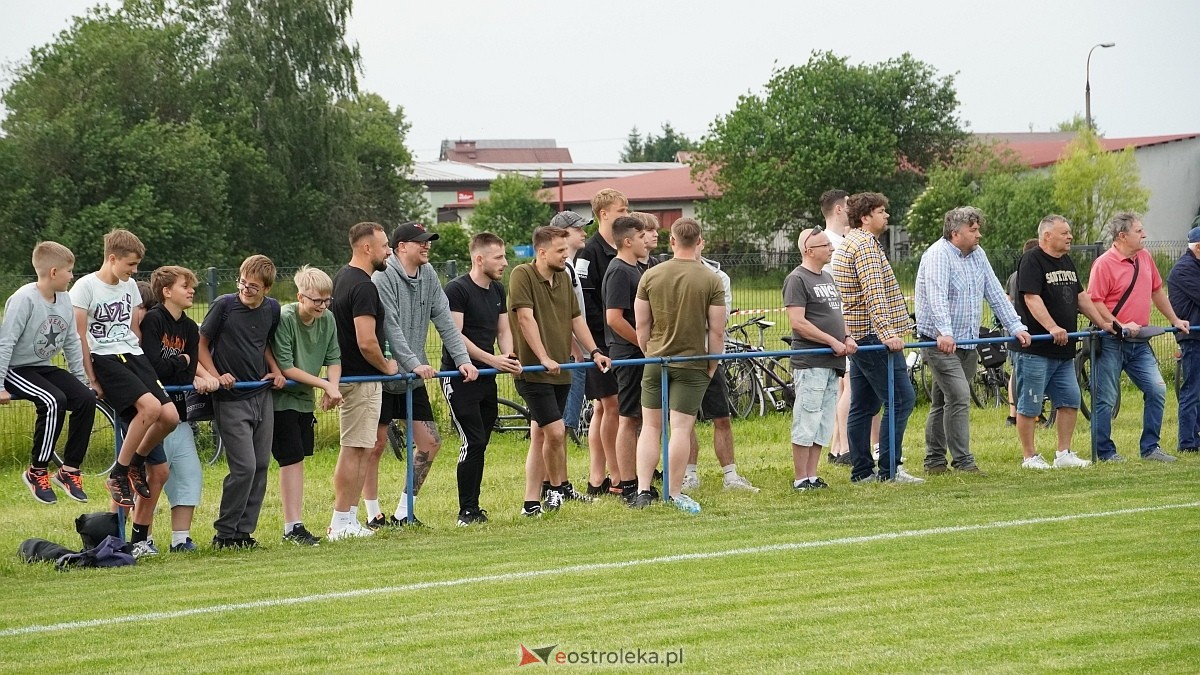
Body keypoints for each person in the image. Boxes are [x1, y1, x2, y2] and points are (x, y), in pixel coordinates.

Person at [368, 222, 476, 527]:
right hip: (384, 374)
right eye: (420, 242)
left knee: (430, 442)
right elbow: (390, 327)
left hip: (413, 378)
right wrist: (413, 362)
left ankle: (404, 511)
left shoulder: (428, 275)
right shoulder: (383, 276)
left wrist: (463, 360)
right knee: (373, 447)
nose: (427, 246)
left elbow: (444, 320)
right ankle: (372, 514)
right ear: (402, 246)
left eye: (428, 242)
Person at [915, 207, 1031, 474]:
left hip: (968, 341)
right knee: (958, 395)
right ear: (956, 233)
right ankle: (963, 460)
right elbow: (936, 296)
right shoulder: (937, 255)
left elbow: (995, 292)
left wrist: (1016, 326)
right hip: (938, 341)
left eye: (978, 228)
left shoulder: (978, 255)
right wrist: (944, 332)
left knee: (942, 400)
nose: (979, 235)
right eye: (973, 230)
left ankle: (934, 461)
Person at [71, 229, 179, 508]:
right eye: (130, 264)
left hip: (132, 354)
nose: (134, 270)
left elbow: (133, 330)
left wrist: (141, 360)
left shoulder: (129, 287)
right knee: (150, 409)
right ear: (112, 258)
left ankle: (135, 462)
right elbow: (79, 336)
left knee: (169, 417)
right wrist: (90, 377)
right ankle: (118, 473)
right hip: (104, 357)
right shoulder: (85, 287)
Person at [511, 225, 611, 517]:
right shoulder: (522, 275)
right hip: (533, 372)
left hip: (561, 369)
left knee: (543, 435)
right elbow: (525, 320)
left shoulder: (564, 277)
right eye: (560, 251)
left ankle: (531, 503)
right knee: (555, 431)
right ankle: (555, 490)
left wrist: (594, 351)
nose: (565, 256)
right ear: (541, 252)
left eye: (566, 250)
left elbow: (576, 320)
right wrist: (542, 357)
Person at [630, 217, 725, 513]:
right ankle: (674, 492)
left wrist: (649, 353)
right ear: (699, 242)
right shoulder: (712, 279)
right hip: (693, 362)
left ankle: (644, 490)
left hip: (656, 360)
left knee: (650, 427)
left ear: (672, 241)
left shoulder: (650, 275)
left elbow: (641, 325)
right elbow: (717, 330)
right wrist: (712, 364)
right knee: (682, 429)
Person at [830, 193, 922, 484]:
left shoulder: (849, 242)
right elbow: (874, 294)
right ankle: (889, 471)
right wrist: (888, 334)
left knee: (863, 405)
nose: (887, 216)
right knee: (901, 399)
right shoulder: (866, 246)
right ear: (865, 217)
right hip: (872, 337)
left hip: (859, 336)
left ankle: (862, 472)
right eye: (882, 211)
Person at [197, 255, 285, 549]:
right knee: (244, 467)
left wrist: (274, 369)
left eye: (254, 287)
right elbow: (201, 344)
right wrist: (215, 374)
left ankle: (243, 533)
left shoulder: (272, 309)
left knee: (261, 465)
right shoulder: (224, 306)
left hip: (260, 393)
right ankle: (224, 533)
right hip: (231, 398)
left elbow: (264, 344)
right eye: (243, 283)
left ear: (267, 289)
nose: (246, 290)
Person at [1012, 215, 1113, 469]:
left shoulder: (1066, 261)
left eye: (1069, 232)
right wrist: (1052, 327)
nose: (1070, 237)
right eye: (1064, 233)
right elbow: (1032, 299)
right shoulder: (1032, 260)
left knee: (1069, 399)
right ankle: (1029, 456)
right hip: (1036, 348)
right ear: (1047, 236)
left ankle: (1063, 453)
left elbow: (1081, 297)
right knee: (1030, 403)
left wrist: (1103, 323)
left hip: (1063, 350)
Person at [1087, 212, 1188, 463]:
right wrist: (1119, 325)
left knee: (1157, 390)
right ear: (1123, 236)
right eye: (1138, 231)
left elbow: (1156, 291)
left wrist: (1174, 320)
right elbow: (1095, 301)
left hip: (1140, 342)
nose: (1144, 235)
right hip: (1111, 341)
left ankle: (1150, 448)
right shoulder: (1103, 264)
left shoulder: (1145, 257)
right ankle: (1106, 452)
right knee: (1106, 398)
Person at [0, 242, 96, 505]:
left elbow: (71, 341)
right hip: (16, 368)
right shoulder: (23, 299)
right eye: (69, 271)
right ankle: (37, 471)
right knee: (54, 401)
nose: (72, 276)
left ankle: (69, 471)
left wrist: (80, 379)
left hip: (42, 366)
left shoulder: (64, 298)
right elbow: (5, 342)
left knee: (86, 399)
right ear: (54, 272)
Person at [442, 233, 522, 526]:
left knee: (481, 441)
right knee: (472, 441)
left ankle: (474, 508)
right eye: (498, 257)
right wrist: (491, 360)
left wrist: (509, 357)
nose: (504, 262)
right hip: (459, 376)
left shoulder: (498, 290)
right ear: (479, 259)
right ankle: (466, 511)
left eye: (504, 256)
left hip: (486, 377)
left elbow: (503, 330)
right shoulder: (457, 289)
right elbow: (455, 335)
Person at [139, 266, 219, 553]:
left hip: (181, 415)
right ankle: (142, 539)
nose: (191, 291)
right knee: (152, 478)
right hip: (153, 417)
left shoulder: (188, 327)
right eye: (185, 286)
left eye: (193, 287)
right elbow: (153, 366)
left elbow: (183, 376)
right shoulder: (153, 321)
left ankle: (180, 539)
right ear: (166, 291)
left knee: (189, 475)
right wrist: (183, 361)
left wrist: (183, 366)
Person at [328, 222, 397, 540]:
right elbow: (367, 341)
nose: (388, 251)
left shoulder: (343, 277)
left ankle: (349, 520)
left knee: (359, 449)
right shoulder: (364, 286)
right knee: (354, 450)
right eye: (384, 246)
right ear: (367, 248)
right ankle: (341, 522)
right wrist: (387, 367)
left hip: (352, 378)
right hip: (362, 380)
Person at [272, 266, 343, 546]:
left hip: (304, 401)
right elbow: (287, 367)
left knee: (298, 460)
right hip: (281, 400)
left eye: (327, 301)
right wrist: (324, 385)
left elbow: (334, 358)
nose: (322, 307)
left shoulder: (328, 319)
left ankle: (295, 524)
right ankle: (292, 527)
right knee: (290, 460)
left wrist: (333, 387)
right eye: (316, 301)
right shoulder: (285, 318)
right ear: (300, 296)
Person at [680, 243, 759, 494]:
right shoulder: (669, 273)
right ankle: (689, 475)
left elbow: (720, 320)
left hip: (711, 356)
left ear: (701, 243)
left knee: (722, 417)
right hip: (682, 358)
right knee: (685, 420)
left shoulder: (718, 277)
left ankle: (731, 476)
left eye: (697, 242)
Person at [785, 228, 855, 491]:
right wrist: (831, 341)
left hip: (832, 362)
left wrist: (846, 336)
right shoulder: (797, 279)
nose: (831, 249)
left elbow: (838, 314)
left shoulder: (827, 277)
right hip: (811, 361)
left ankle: (813, 475)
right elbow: (798, 323)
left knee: (824, 422)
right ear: (809, 250)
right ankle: (800, 478)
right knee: (806, 419)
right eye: (825, 245)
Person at [574, 189, 628, 495]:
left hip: (619, 341)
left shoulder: (622, 247)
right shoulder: (589, 253)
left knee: (604, 409)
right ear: (603, 214)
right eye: (621, 210)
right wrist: (597, 342)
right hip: (600, 342)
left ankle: (600, 476)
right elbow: (587, 302)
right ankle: (616, 474)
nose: (626, 214)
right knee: (611, 406)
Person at [601, 215, 648, 500]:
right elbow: (614, 319)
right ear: (628, 241)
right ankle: (627, 483)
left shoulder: (637, 269)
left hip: (639, 353)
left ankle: (640, 478)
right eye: (642, 237)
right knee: (627, 418)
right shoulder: (618, 271)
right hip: (628, 354)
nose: (647, 242)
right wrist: (644, 344)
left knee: (639, 417)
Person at [819, 189, 855, 466]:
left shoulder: (836, 240)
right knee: (850, 385)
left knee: (842, 386)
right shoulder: (834, 244)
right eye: (850, 205)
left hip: (837, 320)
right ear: (839, 210)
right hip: (842, 320)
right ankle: (844, 446)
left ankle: (835, 445)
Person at [552, 211, 593, 446]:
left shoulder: (569, 267)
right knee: (563, 425)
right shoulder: (564, 269)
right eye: (578, 229)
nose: (583, 233)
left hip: (574, 352)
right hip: (570, 355)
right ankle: (555, 481)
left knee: (565, 424)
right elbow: (561, 314)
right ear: (563, 234)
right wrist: (575, 349)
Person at [1168, 225, 1200, 454]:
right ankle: (1187, 441)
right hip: (1193, 337)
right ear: (1198, 247)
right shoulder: (1184, 269)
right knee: (1192, 389)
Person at [1006, 238, 1041, 426]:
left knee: (1016, 371)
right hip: (1024, 329)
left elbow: (1006, 298)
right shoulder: (1028, 274)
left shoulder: (1013, 275)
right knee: (1023, 372)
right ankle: (1027, 413)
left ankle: (1013, 413)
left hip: (1015, 329)